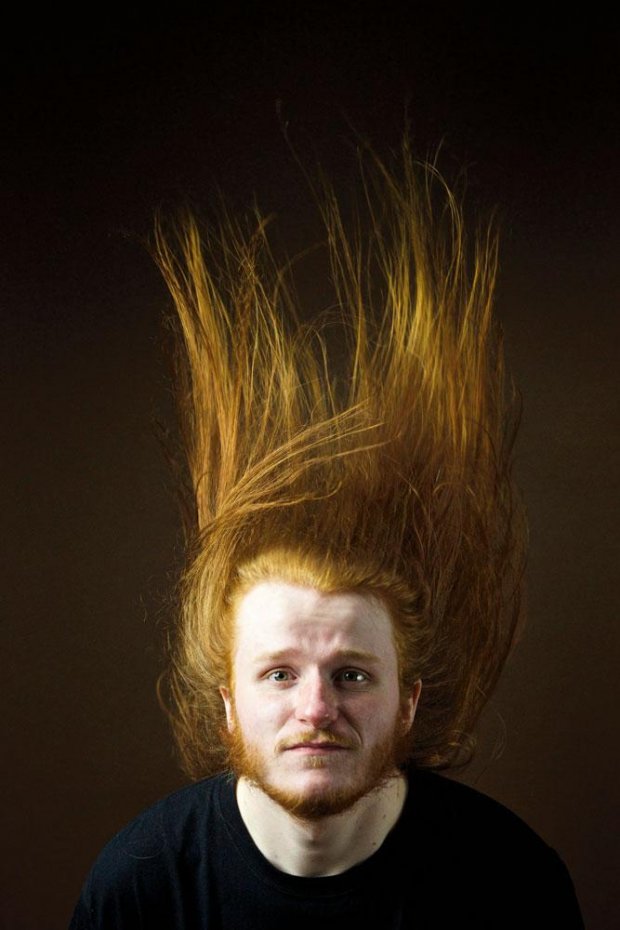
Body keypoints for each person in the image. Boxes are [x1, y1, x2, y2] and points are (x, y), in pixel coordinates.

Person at [69, 140, 584, 928]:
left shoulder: (510, 881)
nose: (316, 708)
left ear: (407, 704)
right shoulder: (140, 887)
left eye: (352, 675)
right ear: (228, 705)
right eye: (279, 674)